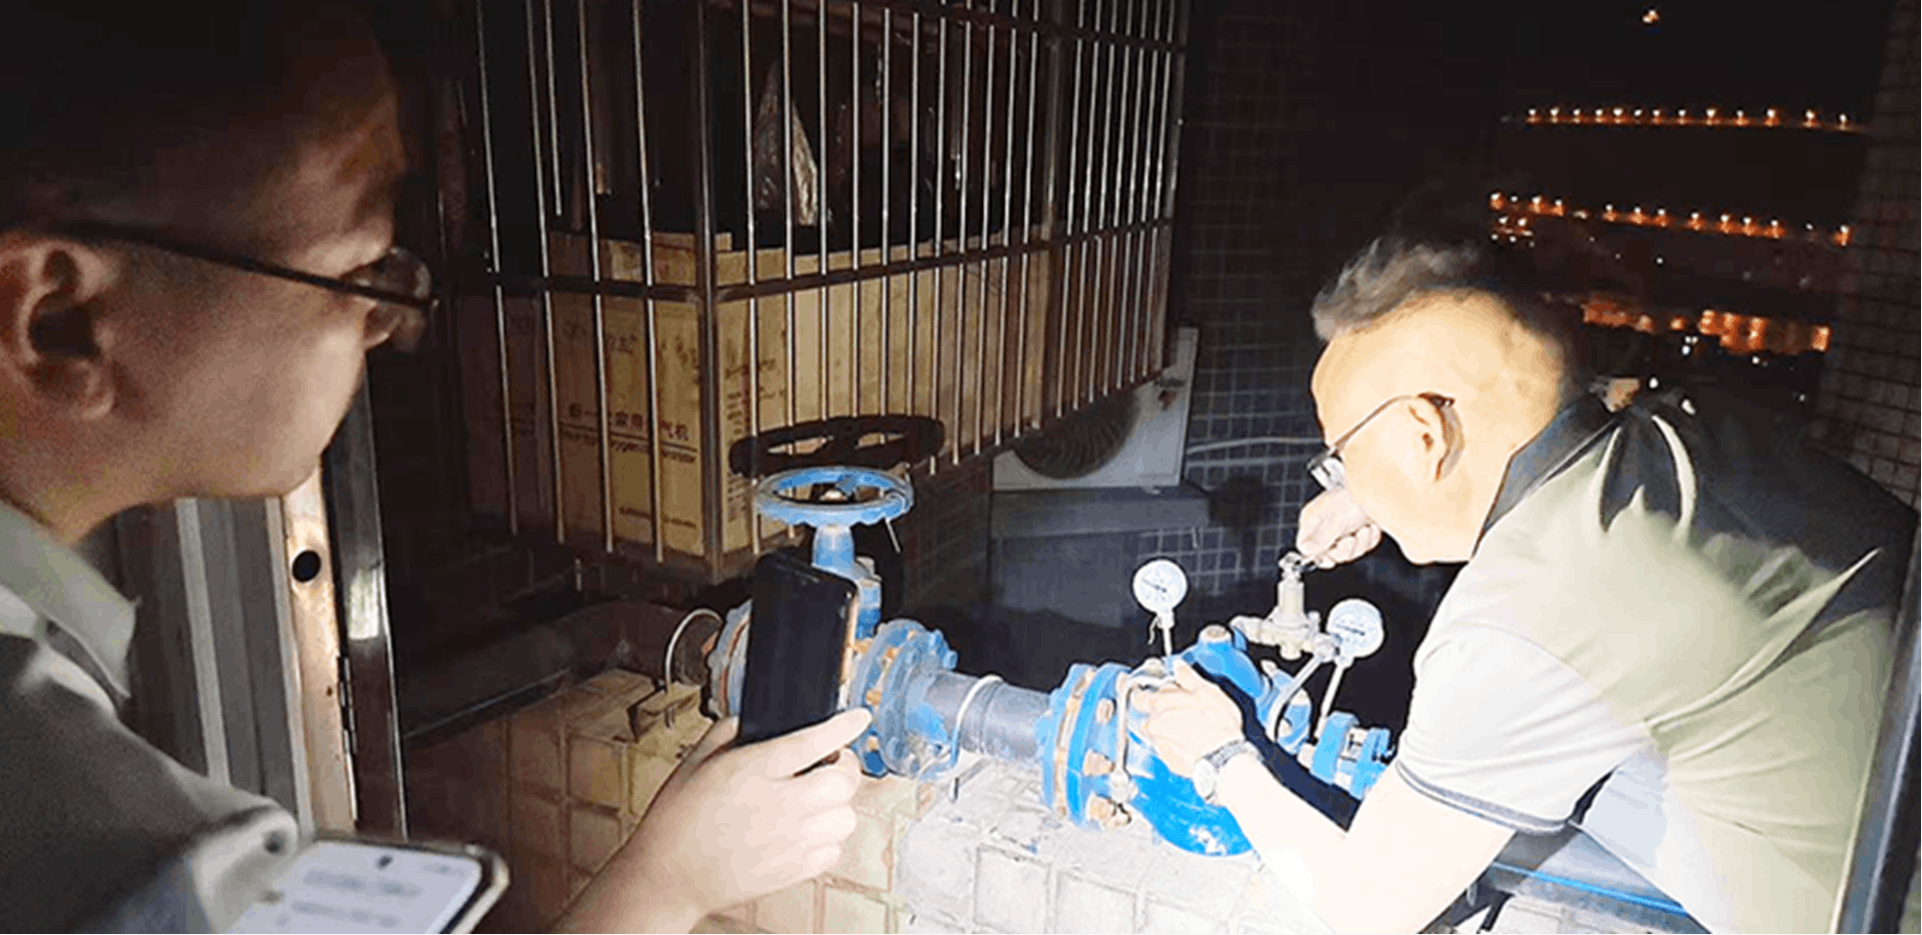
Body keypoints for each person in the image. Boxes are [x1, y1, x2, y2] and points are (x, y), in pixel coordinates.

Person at [0, 0, 867, 930]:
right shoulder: (122, 857)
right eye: (357, 277)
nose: (395, 328)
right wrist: (670, 881)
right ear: (60, 321)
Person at [1140, 237, 1914, 933]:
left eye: (1339, 454)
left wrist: (1219, 754)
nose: (1338, 476)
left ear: (1421, 434)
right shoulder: (1693, 426)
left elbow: (1367, 906)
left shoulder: (1519, 626)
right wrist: (1377, 494)